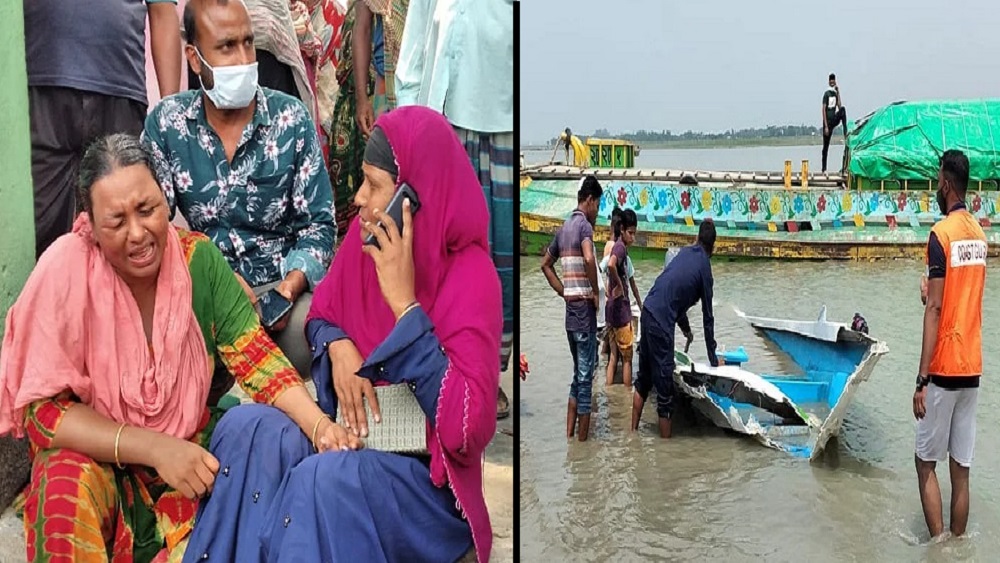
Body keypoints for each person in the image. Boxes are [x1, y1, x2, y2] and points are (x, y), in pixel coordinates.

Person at [0, 134, 359, 562]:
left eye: (147, 210)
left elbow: (258, 359)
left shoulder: (196, 261)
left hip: (192, 460)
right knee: (59, 480)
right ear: (91, 227)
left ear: (165, 200)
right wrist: (154, 448)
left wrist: (322, 428)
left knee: (268, 432)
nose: (137, 234)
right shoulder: (66, 270)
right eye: (116, 221)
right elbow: (42, 415)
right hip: (104, 466)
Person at [186, 106, 501, 562]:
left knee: (324, 479)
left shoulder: (472, 278)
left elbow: (466, 432)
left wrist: (405, 306)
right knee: (247, 427)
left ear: (413, 200)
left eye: (374, 185)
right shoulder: (363, 239)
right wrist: (338, 345)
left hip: (423, 483)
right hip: (349, 435)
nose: (358, 198)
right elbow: (324, 311)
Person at [143, 0, 337, 381]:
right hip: (202, 293)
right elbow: (153, 223)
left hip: (278, 295)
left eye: (248, 43)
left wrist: (289, 287)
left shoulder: (290, 120)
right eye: (227, 46)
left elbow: (319, 224)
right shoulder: (168, 124)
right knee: (171, 365)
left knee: (323, 344)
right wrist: (212, 277)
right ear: (194, 59)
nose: (245, 59)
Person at [396, 0, 514, 418]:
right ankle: (436, 369)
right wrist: (408, 116)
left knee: (496, 263)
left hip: (500, 124)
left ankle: (484, 374)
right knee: (435, 253)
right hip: (439, 121)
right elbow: (414, 46)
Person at [24, 0, 182, 259]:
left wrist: (169, 114)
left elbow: (163, 12)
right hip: (42, 82)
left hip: (121, 88)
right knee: (37, 229)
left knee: (125, 225)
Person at [913, 149, 986, 540]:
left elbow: (938, 309)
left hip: (943, 368)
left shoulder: (940, 235)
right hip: (972, 367)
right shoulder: (978, 233)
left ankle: (939, 546)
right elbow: (962, 296)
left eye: (937, 179)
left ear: (946, 183)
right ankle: (959, 545)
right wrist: (934, 296)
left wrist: (921, 379)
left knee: (925, 463)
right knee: (962, 469)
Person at [329, 0, 411, 237]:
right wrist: (363, 99)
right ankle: (380, 237)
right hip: (385, 83)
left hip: (424, 78)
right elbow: (362, 29)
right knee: (383, 165)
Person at [632, 220, 720, 438]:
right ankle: (666, 451)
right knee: (665, 392)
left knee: (643, 379)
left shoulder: (683, 254)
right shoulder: (705, 272)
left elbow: (674, 295)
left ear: (697, 238)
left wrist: (686, 330)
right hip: (661, 322)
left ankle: (632, 435)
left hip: (648, 310)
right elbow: (708, 319)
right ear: (713, 247)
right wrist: (714, 359)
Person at [541, 176, 602, 442]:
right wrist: (595, 291)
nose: (597, 211)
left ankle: (570, 440)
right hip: (584, 315)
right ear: (589, 200)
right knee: (586, 381)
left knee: (578, 376)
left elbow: (545, 265)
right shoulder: (584, 227)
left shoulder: (564, 228)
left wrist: (563, 291)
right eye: (597, 205)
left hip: (569, 315)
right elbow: (589, 257)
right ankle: (582, 444)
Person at [603, 209, 640, 387]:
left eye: (635, 234)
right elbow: (610, 265)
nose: (633, 237)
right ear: (623, 230)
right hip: (620, 310)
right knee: (627, 358)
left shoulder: (616, 246)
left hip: (610, 310)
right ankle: (626, 398)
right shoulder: (620, 248)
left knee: (613, 357)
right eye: (630, 233)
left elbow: (608, 266)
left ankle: (609, 392)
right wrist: (618, 284)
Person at [821, 72, 848, 173]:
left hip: (833, 120)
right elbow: (823, 110)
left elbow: (839, 106)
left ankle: (845, 133)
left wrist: (838, 92)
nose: (832, 83)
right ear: (829, 82)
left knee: (843, 110)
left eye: (834, 81)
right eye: (831, 81)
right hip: (827, 123)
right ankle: (824, 168)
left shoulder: (835, 94)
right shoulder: (826, 94)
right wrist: (826, 126)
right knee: (825, 146)